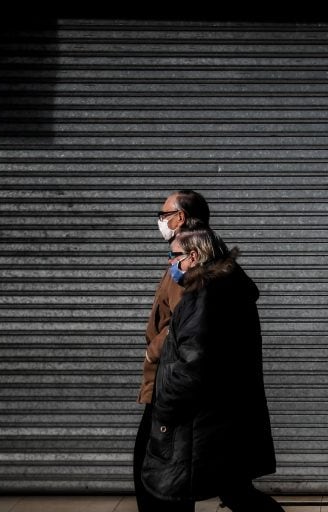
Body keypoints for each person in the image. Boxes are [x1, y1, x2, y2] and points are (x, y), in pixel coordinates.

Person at [141, 227, 283, 512]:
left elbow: (194, 362)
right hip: (225, 417)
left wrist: (165, 403)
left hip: (202, 420)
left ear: (193, 256)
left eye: (174, 255)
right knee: (236, 492)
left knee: (170, 493)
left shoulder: (204, 296)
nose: (170, 263)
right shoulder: (227, 288)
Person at [134, 190, 210, 512]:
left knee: (156, 478)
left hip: (169, 385)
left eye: (164, 213)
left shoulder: (187, 261)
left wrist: (153, 351)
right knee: (167, 476)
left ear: (180, 218)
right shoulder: (186, 257)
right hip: (168, 383)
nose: (160, 220)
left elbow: (184, 327)